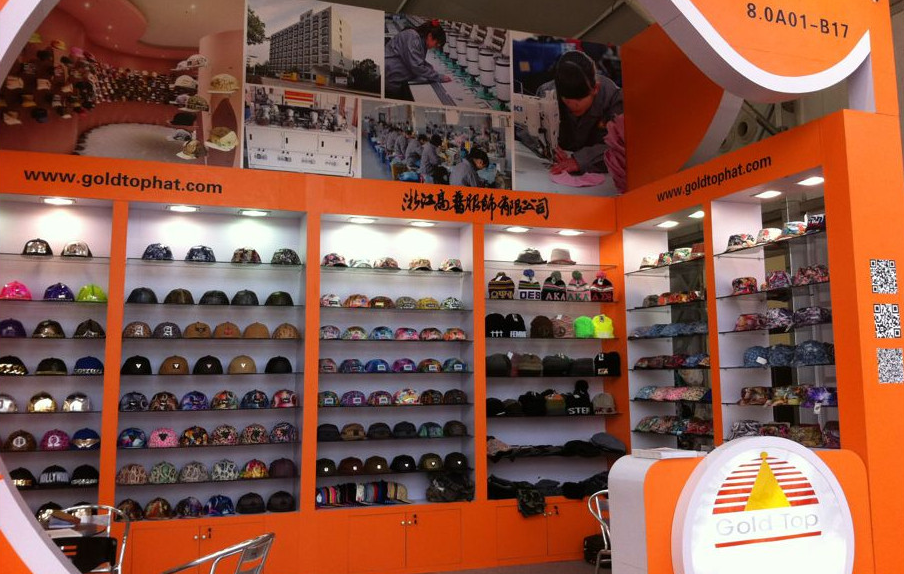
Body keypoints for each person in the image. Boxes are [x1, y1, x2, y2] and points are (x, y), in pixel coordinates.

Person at [536, 50, 623, 175]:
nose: (573, 106)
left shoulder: (614, 100)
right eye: (567, 100)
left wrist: (581, 160)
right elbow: (527, 128)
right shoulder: (547, 94)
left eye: (579, 99)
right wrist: (543, 145)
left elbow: (621, 145)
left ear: (595, 88)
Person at [385, 21, 451, 101]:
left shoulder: (421, 41)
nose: (435, 47)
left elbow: (417, 59)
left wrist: (429, 67)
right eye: (436, 44)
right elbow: (416, 66)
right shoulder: (412, 37)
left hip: (395, 80)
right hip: (388, 80)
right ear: (430, 36)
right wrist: (438, 77)